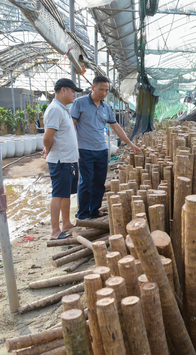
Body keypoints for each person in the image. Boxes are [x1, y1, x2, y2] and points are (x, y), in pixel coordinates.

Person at [71, 75, 141, 220]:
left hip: (102, 150)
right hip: (84, 150)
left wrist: (131, 144)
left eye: (106, 90)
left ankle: (94, 210)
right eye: (101, 89)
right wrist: (73, 148)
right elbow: (71, 126)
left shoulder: (106, 107)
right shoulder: (79, 103)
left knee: (99, 182)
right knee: (86, 182)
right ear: (93, 88)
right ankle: (83, 213)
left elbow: (116, 127)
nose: (104, 93)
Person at [42, 78, 82, 240]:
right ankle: (54, 231)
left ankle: (66, 223)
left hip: (69, 160)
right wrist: (48, 150)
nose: (74, 95)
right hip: (60, 161)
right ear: (63, 90)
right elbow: (47, 137)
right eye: (73, 92)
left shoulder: (63, 109)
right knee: (58, 194)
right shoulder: (55, 110)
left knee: (66, 194)